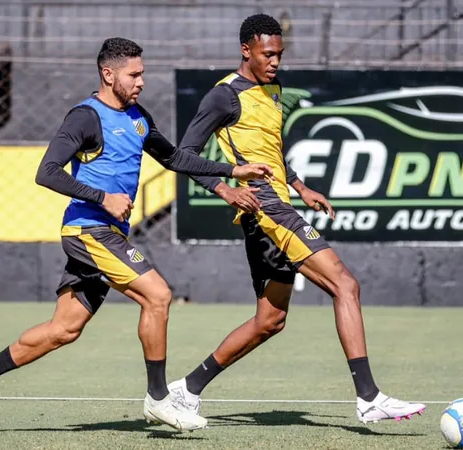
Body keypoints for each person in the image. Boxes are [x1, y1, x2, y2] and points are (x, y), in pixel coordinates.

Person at [0, 37, 273, 431]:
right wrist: (103, 197)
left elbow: (172, 157)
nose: (140, 81)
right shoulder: (85, 117)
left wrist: (231, 172)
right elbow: (46, 172)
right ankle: (158, 399)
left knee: (63, 330)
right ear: (108, 74)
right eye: (133, 74)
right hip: (89, 230)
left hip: (107, 232)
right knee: (159, 295)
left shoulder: (137, 116)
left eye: (142, 74)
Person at [167, 14, 426, 424]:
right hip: (267, 212)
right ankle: (369, 397)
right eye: (267, 54)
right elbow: (183, 156)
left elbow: (270, 149)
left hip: (279, 205)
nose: (275, 61)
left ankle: (187, 388)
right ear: (245, 50)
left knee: (270, 321)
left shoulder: (272, 88)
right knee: (345, 284)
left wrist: (300, 185)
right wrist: (225, 189)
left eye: (279, 54)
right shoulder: (223, 96)